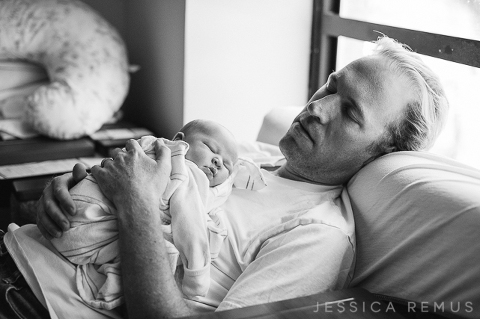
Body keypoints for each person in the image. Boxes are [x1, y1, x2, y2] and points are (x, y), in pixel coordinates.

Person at [2, 35, 448, 319]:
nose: (316, 108)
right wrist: (67, 192)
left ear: (382, 153)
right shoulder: (248, 158)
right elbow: (136, 173)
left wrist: (133, 200)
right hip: (20, 247)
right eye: (331, 86)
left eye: (350, 112)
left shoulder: (318, 236)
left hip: (32, 302)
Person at [46, 119, 265, 309]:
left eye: (226, 164)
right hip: (72, 227)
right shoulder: (185, 169)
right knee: (168, 247)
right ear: (180, 140)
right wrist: (196, 274)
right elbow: (190, 223)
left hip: (61, 241)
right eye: (210, 147)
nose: (218, 161)